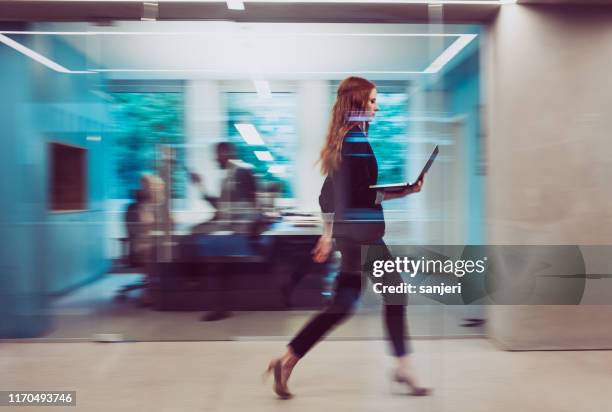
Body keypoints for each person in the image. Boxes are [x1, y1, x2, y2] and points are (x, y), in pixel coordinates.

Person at [264, 76, 431, 399]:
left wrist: (329, 236)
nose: (376, 106)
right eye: (371, 101)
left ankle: (287, 360)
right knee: (395, 295)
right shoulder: (356, 143)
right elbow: (359, 198)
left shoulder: (343, 141)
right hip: (364, 234)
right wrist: (405, 191)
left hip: (349, 235)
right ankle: (404, 367)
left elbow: (333, 196)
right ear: (356, 105)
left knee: (341, 305)